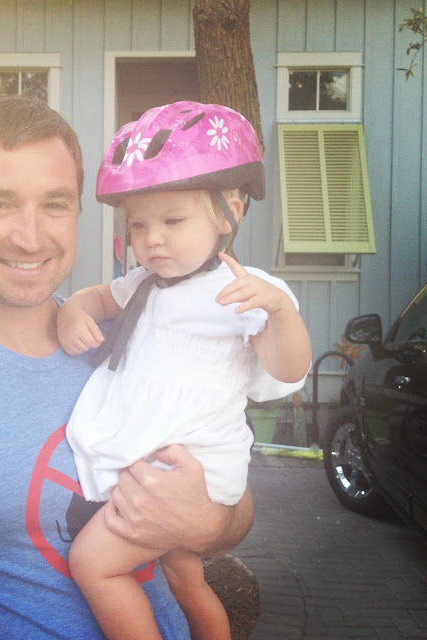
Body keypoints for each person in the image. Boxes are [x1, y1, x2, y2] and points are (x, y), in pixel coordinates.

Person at [0, 95, 256, 640]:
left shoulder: (137, 340)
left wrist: (209, 522)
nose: (30, 237)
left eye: (55, 204)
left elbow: (235, 501)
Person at [57, 101, 312, 640]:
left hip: (190, 470)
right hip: (162, 460)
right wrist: (74, 310)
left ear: (228, 213)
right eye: (138, 224)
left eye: (173, 220)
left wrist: (280, 313)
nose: (152, 238)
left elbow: (289, 370)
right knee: (188, 583)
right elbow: (98, 297)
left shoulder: (242, 292)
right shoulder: (144, 283)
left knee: (93, 564)